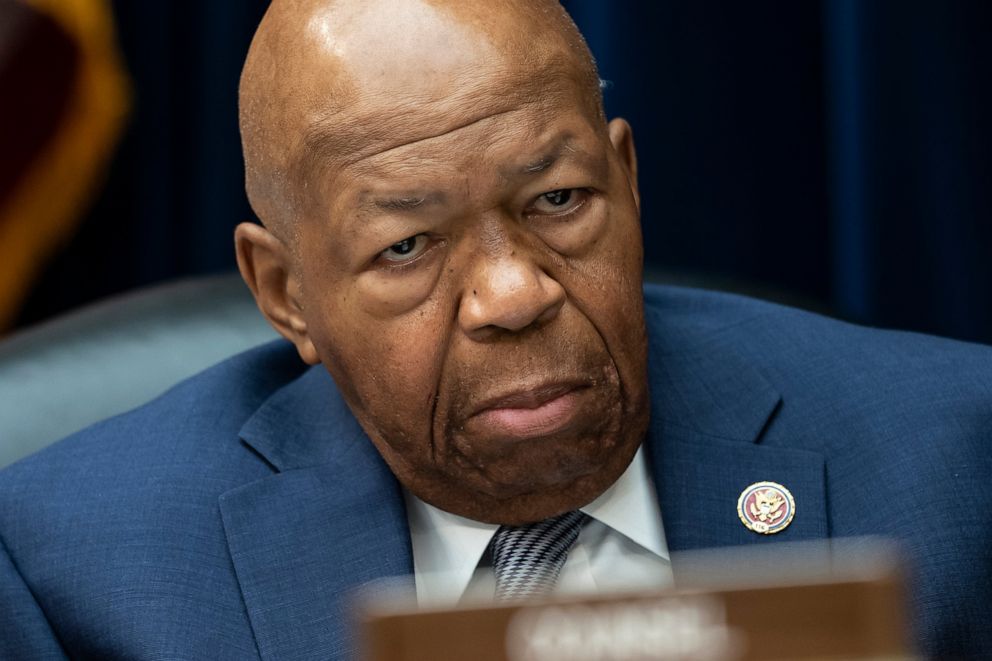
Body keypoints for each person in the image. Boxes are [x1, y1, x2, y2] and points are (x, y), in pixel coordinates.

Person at [1, 0, 990, 658]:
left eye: (558, 199)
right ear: (284, 292)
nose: (512, 295)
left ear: (626, 183)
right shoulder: (73, 573)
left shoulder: (956, 458)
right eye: (406, 246)